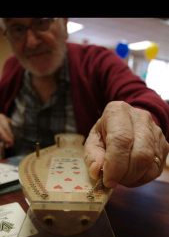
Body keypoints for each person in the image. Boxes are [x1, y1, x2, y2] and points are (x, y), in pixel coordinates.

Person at [0, 18, 169, 189]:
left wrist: (139, 121)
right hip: (14, 187)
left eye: (42, 22)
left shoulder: (97, 60)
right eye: (17, 29)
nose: (31, 42)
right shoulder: (12, 66)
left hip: (81, 191)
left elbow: (142, 96)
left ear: (64, 24)